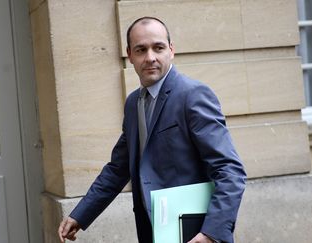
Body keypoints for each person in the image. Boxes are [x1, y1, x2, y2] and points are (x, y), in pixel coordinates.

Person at [58, 16, 246, 243]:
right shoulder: (133, 103)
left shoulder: (193, 95)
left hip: (194, 234)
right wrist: (80, 215)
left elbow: (229, 170)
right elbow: (118, 168)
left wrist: (211, 234)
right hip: (152, 232)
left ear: (171, 50)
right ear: (130, 55)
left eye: (158, 48)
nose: (150, 58)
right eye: (141, 50)